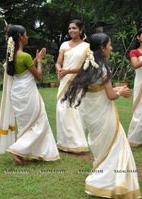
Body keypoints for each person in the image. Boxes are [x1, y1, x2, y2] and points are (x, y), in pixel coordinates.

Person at [62, 33, 141, 198]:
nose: (111, 48)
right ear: (102, 48)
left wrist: (117, 90)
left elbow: (95, 91)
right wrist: (121, 91)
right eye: (109, 45)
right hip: (104, 113)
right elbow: (110, 95)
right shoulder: (103, 68)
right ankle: (109, 181)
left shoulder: (87, 66)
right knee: (116, 145)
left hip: (90, 113)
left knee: (101, 147)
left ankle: (100, 179)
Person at [0, 24, 60, 164]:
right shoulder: (24, 56)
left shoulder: (11, 57)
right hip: (28, 93)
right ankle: (16, 149)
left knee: (26, 125)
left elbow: (24, 69)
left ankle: (22, 153)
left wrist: (36, 59)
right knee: (40, 121)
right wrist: (40, 62)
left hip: (17, 93)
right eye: (26, 34)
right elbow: (38, 77)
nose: (27, 37)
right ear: (20, 37)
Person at [55, 19, 90, 153]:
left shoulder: (86, 47)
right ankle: (63, 142)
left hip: (78, 81)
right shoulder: (64, 45)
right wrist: (59, 69)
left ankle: (77, 143)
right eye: (69, 28)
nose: (71, 31)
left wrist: (68, 71)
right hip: (64, 80)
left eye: (74, 28)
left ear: (81, 30)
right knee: (61, 110)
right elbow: (59, 62)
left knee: (75, 110)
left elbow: (85, 67)